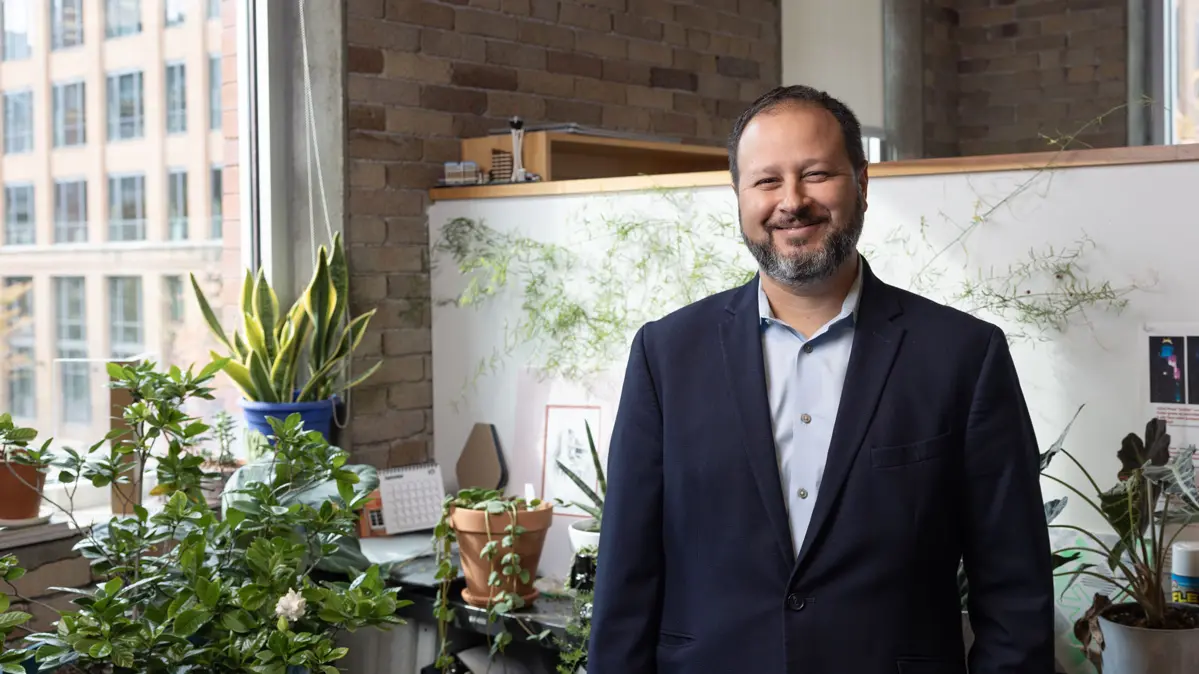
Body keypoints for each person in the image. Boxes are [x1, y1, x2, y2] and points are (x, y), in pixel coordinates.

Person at [587, 85, 1054, 674]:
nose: (792, 201)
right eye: (766, 181)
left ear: (862, 181)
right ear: (737, 194)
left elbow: (1015, 588)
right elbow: (626, 578)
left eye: (815, 174)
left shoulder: (962, 354)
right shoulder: (666, 354)